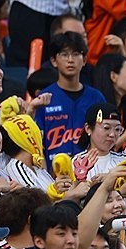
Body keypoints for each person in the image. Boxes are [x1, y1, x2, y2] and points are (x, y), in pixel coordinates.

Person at [37, 32, 106, 160]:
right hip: (53, 174)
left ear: (84, 60)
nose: (70, 60)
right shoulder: (44, 99)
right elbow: (36, 145)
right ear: (53, 60)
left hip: (91, 171)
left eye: (75, 54)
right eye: (64, 54)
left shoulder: (96, 98)